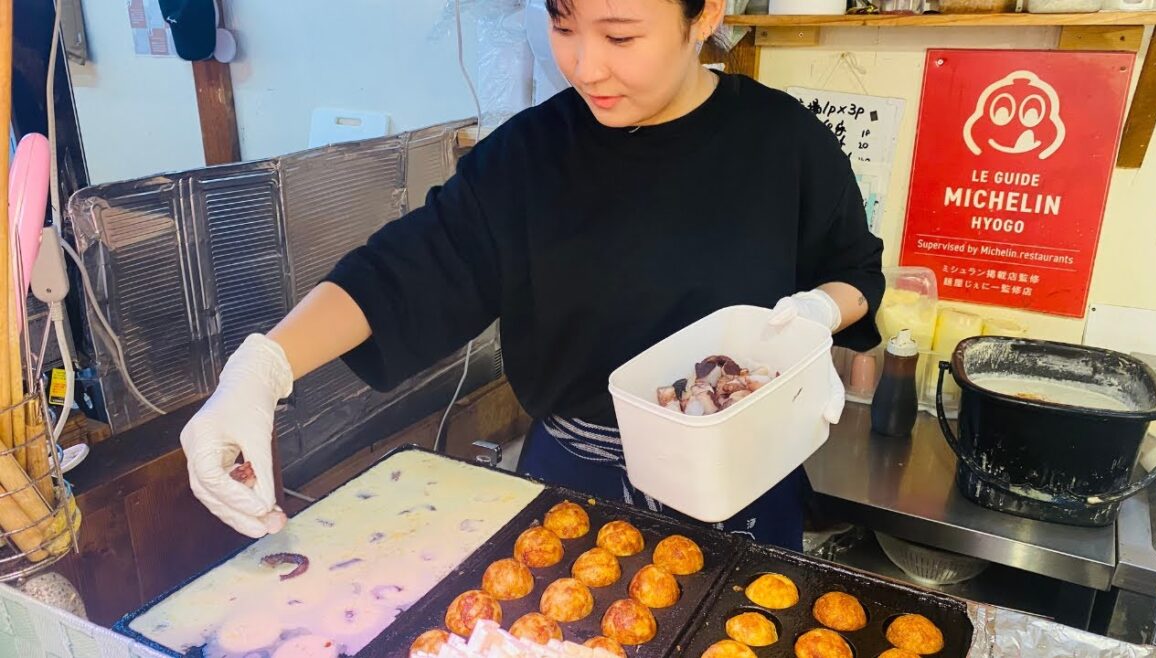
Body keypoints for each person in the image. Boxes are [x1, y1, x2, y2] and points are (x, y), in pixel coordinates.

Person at [179, 0, 884, 550]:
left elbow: (854, 270)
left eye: (620, 36)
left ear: (704, 15)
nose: (584, 67)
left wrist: (820, 313)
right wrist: (264, 366)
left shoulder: (783, 141)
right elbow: (405, 270)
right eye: (563, 24)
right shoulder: (527, 157)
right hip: (573, 481)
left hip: (744, 484)